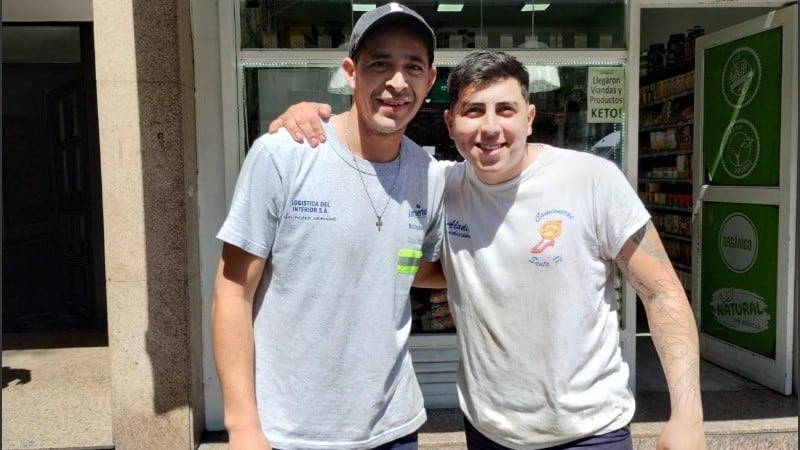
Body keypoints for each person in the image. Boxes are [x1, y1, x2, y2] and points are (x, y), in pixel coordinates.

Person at [269, 50, 707, 449]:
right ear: (450, 124)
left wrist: (688, 415)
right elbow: (411, 249)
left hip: (589, 432)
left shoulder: (592, 180)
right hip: (487, 433)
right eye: (473, 111)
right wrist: (312, 121)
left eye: (506, 109)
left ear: (530, 117)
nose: (490, 128)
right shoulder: (440, 185)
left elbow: (661, 292)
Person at [211, 3, 445, 449]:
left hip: (394, 428)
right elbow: (232, 291)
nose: (397, 82)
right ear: (351, 72)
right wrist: (242, 427)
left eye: (412, 66)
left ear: (429, 80)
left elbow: (413, 267)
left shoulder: (429, 175)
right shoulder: (285, 154)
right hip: (292, 433)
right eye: (380, 64)